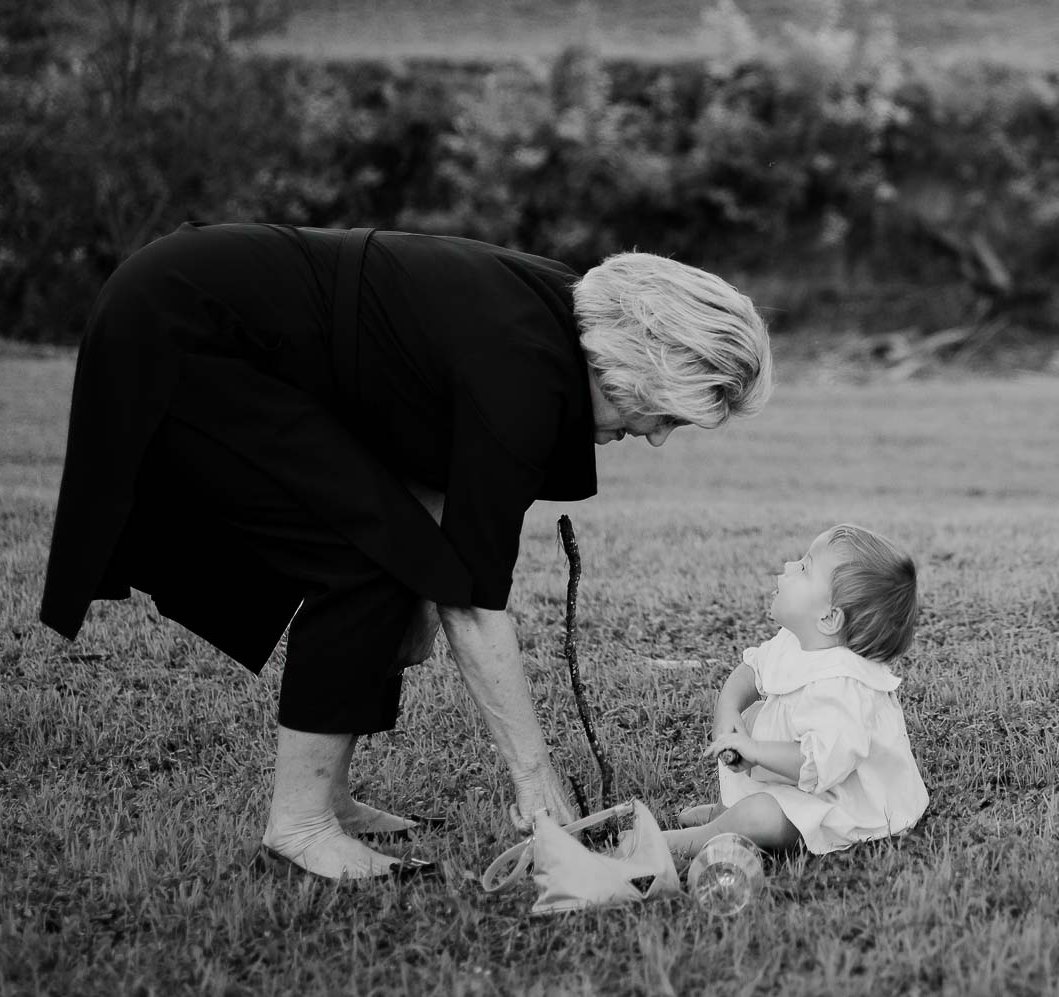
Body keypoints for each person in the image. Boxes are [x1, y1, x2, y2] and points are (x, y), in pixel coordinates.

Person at [38, 222, 772, 880]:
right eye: (667, 414)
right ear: (640, 366)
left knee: (392, 552)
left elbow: (427, 479)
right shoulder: (524, 377)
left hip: (196, 307)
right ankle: (299, 824)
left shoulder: (560, 316)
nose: (655, 437)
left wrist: (419, 599)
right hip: (184, 331)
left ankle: (329, 801)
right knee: (361, 555)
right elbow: (476, 603)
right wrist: (535, 777)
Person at [665, 524, 927, 859]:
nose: (789, 567)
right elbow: (752, 671)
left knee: (760, 815)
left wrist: (755, 750)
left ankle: (695, 839)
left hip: (841, 803)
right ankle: (727, 810)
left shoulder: (842, 687)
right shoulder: (797, 641)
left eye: (804, 568)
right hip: (799, 781)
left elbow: (816, 763)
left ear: (829, 618)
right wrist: (728, 709)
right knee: (755, 716)